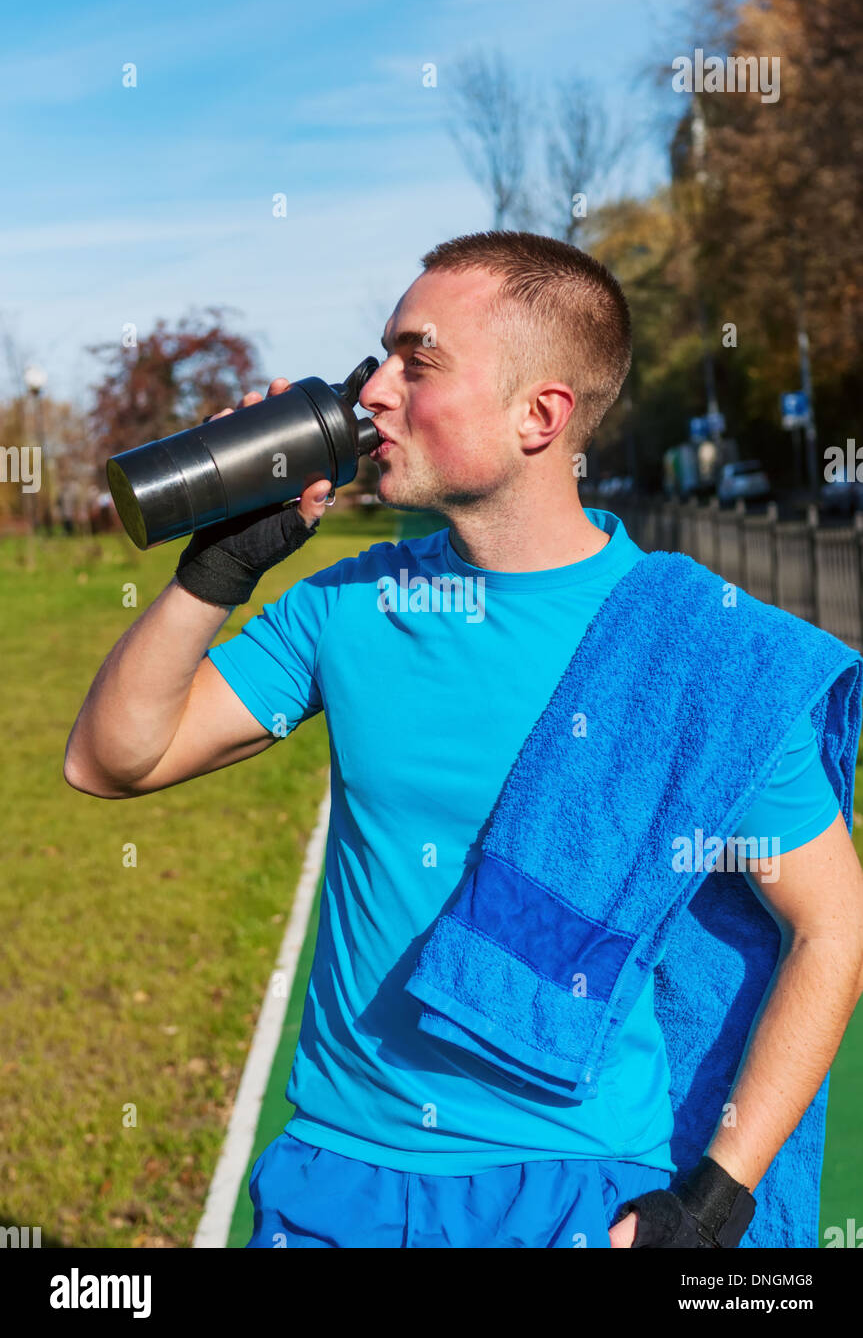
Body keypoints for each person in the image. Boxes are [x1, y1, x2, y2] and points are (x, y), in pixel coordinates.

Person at [64, 230, 863, 1249]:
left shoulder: (699, 657)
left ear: (540, 415)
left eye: (417, 359)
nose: (374, 394)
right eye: (382, 357)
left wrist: (714, 1201)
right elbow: (108, 759)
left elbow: (828, 927)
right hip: (337, 1179)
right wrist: (216, 569)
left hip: (574, 1191)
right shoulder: (348, 608)